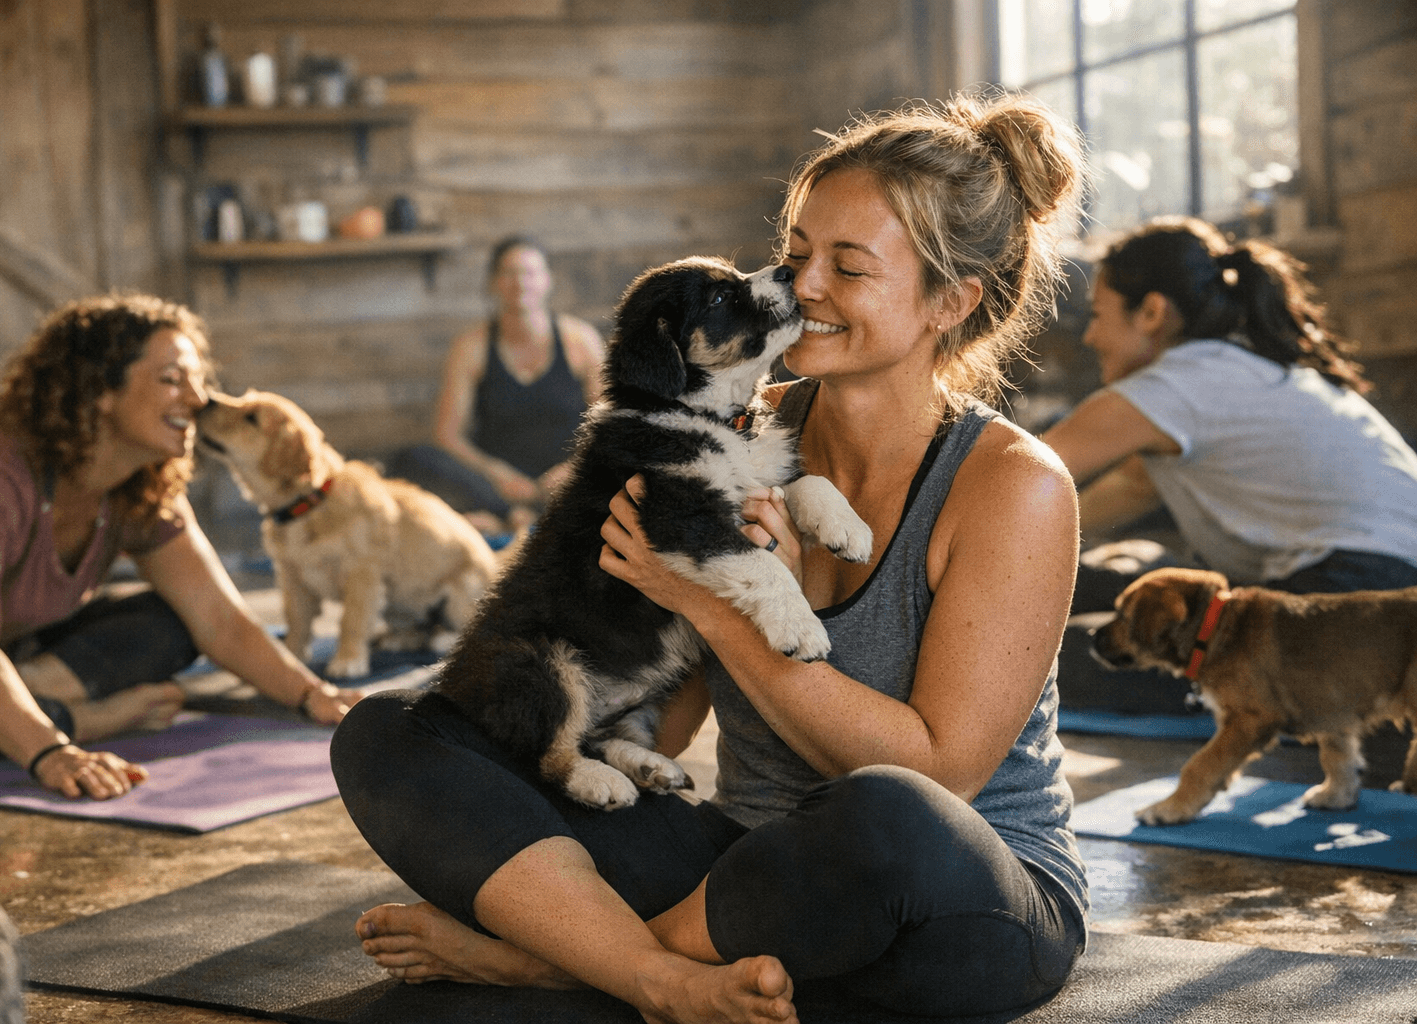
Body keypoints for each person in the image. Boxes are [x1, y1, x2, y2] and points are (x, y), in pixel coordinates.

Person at [332, 92, 1088, 1024]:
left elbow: (945, 777)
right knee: (399, 727)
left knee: (886, 809)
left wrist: (716, 605)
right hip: (743, 867)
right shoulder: (730, 434)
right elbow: (666, 710)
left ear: (952, 301)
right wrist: (542, 746)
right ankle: (661, 973)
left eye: (849, 267)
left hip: (946, 895)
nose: (804, 286)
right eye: (797, 254)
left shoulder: (1013, 485)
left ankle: (566, 962)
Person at [0, 294, 359, 799]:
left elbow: (219, 620)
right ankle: (81, 717)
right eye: (172, 379)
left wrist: (313, 695)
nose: (198, 399)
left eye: (199, 380)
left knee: (171, 621)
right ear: (99, 391)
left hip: (6, 649)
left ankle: (17, 694)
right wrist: (55, 751)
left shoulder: (143, 480)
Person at [1042, 218, 1417, 619]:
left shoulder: (1175, 383)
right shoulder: (1235, 365)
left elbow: (1024, 471)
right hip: (1393, 576)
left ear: (1151, 312)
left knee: (1130, 616)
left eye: (1098, 315)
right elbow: (1135, 486)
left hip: (1362, 582)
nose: (1090, 336)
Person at [390, 236, 606, 535]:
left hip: (567, 480)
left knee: (623, 464)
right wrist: (497, 474)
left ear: (547, 281)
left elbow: (609, 424)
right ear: (493, 282)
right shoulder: (470, 347)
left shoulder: (581, 340)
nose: (520, 283)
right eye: (509, 273)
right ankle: (512, 517)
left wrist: (573, 468)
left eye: (530, 273)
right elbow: (447, 435)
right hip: (496, 486)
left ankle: (512, 522)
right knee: (413, 458)